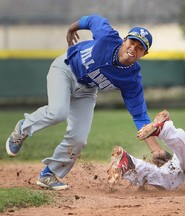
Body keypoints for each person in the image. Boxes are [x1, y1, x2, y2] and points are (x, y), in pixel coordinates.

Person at [5, 14, 170, 190]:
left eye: (139, 48)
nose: (133, 48)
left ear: (144, 54)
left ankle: (48, 174)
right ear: (124, 40)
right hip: (65, 69)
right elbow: (93, 19)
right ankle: (22, 129)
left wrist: (156, 151)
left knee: (79, 138)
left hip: (87, 90)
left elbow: (140, 116)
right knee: (58, 112)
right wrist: (72, 28)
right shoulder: (107, 37)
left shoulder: (132, 79)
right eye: (132, 42)